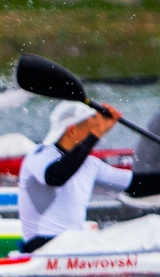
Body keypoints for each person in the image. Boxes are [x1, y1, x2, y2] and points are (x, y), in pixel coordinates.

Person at [17, 101, 154, 252]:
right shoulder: (40, 155)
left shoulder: (90, 165)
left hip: (74, 245)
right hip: (42, 248)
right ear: (71, 131)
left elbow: (138, 186)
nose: (97, 137)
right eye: (92, 131)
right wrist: (94, 135)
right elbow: (55, 177)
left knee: (153, 226)